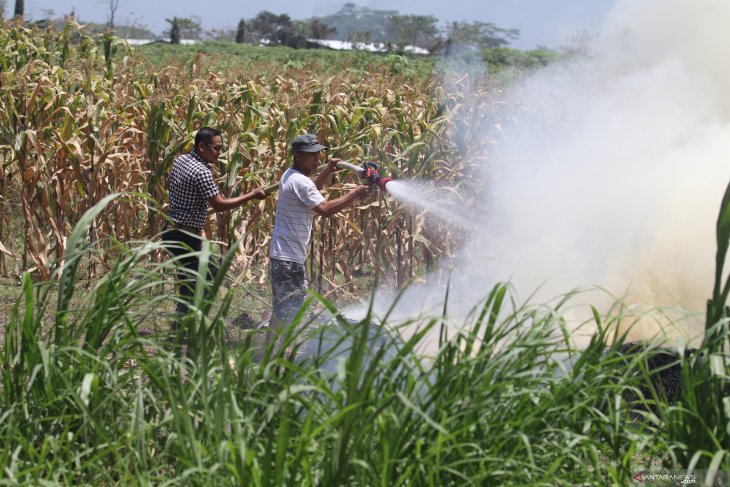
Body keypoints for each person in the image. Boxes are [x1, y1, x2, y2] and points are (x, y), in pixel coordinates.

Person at [163, 126, 266, 330]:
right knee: (209, 278)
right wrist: (252, 196)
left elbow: (169, 184)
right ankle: (187, 327)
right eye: (216, 148)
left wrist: (189, 203)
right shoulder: (202, 171)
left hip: (171, 231)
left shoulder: (181, 160)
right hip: (185, 235)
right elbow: (219, 205)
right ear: (202, 147)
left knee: (190, 283)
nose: (219, 153)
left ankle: (183, 326)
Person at [268, 133, 370, 337]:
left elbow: (311, 189)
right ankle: (280, 356)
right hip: (288, 259)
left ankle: (266, 355)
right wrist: (354, 194)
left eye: (319, 155)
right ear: (297, 155)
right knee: (289, 312)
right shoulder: (300, 182)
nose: (317, 159)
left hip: (283, 256)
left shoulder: (291, 175)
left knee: (282, 310)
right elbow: (324, 209)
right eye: (312, 155)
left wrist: (330, 169)